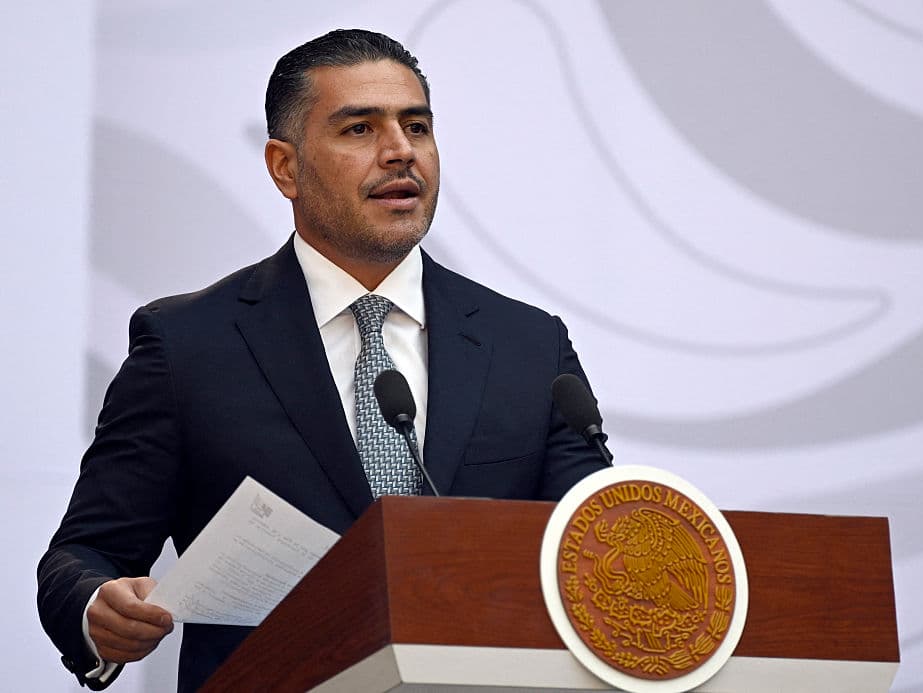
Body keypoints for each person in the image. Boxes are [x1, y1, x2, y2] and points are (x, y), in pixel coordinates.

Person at [37, 29, 607, 692]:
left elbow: (598, 544)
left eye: (416, 126)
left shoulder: (529, 344)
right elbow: (85, 554)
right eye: (359, 128)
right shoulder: (188, 345)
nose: (399, 151)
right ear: (286, 166)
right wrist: (95, 607)